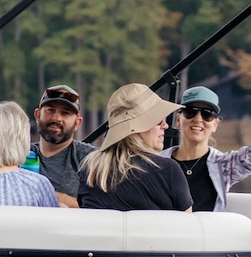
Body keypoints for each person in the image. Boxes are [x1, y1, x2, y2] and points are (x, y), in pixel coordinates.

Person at [161, 60, 251, 212]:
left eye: (207, 114)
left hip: (207, 234)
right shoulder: (157, 163)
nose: (198, 118)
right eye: (190, 112)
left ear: (215, 125)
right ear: (178, 120)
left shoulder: (223, 165)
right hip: (166, 234)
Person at [0, 83, 91, 207]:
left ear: (78, 123)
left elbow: (100, 205)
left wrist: (40, 191)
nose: (56, 118)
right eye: (50, 110)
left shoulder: (90, 158)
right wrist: (5, 176)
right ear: (37, 115)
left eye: (65, 113)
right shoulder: (17, 153)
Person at [76, 83, 191, 212]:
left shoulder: (90, 170)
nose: (165, 126)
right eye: (158, 120)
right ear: (139, 127)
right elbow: (188, 227)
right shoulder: (168, 170)